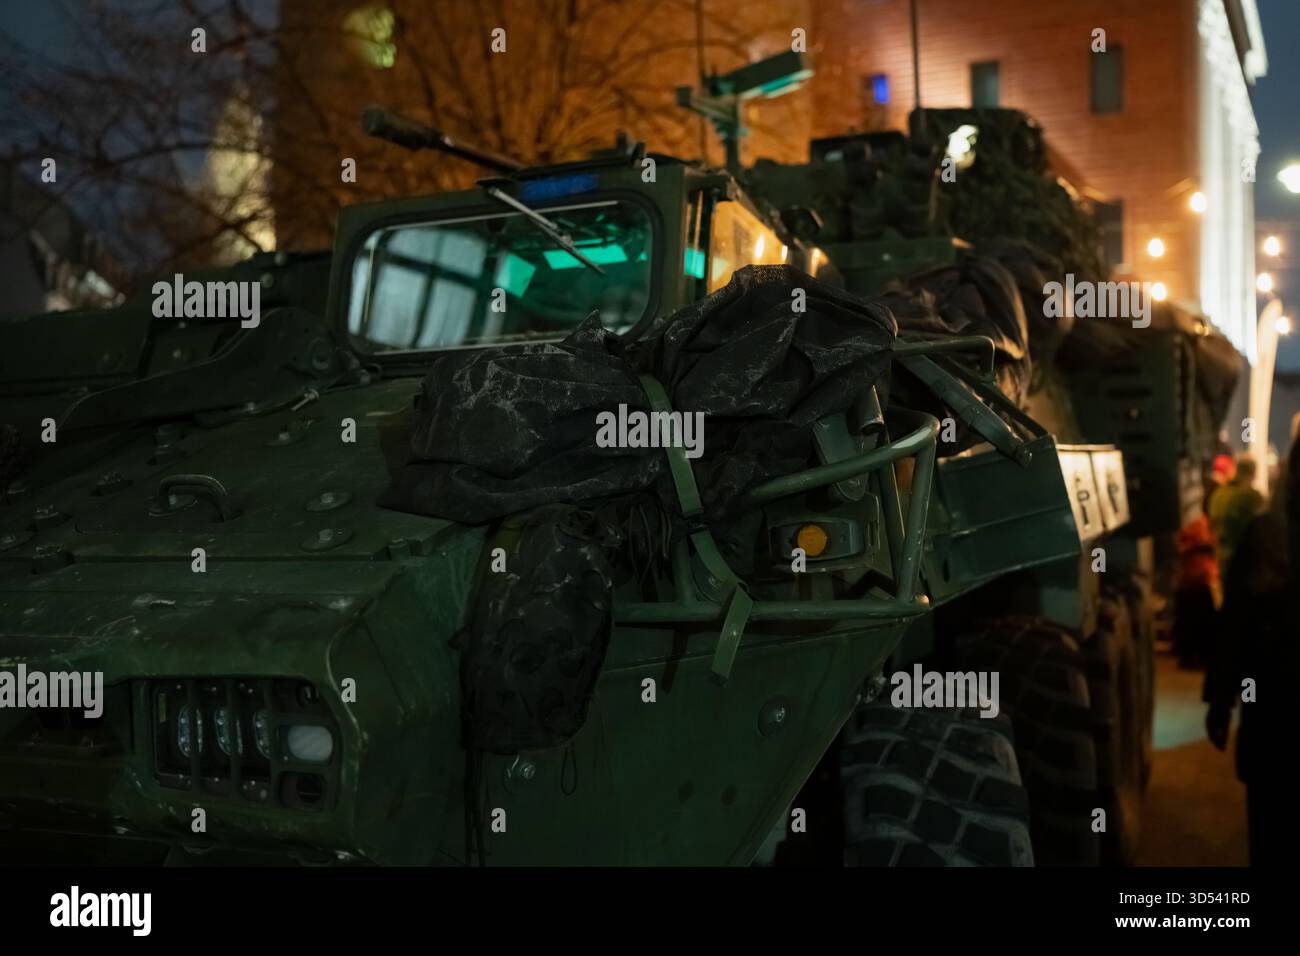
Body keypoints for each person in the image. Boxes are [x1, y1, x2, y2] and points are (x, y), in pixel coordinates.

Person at [1204, 439, 1298, 866]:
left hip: (1271, 714)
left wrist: (1221, 702)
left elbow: (1236, 624)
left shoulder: (1266, 533)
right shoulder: (1264, 529)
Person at [1171, 504, 1218, 669]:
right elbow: (1179, 547)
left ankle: (1198, 656)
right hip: (1191, 579)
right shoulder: (1192, 523)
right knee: (1193, 622)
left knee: (1201, 622)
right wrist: (1203, 547)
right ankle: (1189, 657)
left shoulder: (1202, 521)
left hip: (1201, 578)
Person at [1207, 455, 1264, 577]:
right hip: (1247, 561)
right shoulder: (1253, 498)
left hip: (1222, 559)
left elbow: (1212, 526)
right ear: (1252, 474)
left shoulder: (1218, 494)